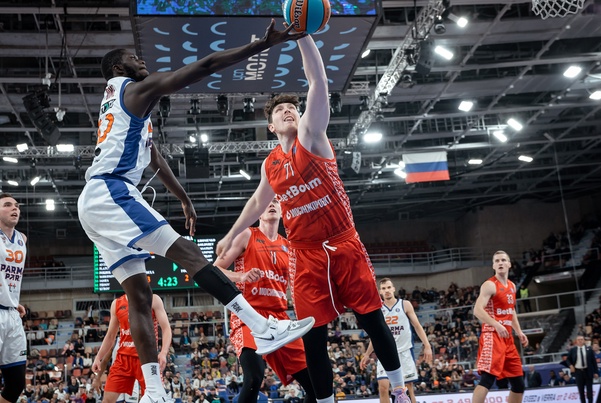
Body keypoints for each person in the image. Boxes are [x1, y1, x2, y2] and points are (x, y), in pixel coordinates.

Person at [77, 20, 313, 403]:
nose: (142, 61)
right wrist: (260, 45)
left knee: (139, 295)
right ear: (120, 68)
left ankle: (154, 391)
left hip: (95, 202)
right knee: (188, 252)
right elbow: (203, 67)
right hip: (111, 191)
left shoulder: (119, 103)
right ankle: (261, 326)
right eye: (134, 58)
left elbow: (154, 158)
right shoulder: (136, 90)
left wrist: (184, 198)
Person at [216, 34, 409, 403]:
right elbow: (257, 201)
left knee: (371, 319)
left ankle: (399, 390)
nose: (289, 111)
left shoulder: (312, 135)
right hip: (305, 254)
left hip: (343, 242)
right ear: (271, 126)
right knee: (313, 339)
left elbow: (317, 80)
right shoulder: (270, 164)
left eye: (293, 107)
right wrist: (231, 233)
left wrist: (302, 34)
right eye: (280, 111)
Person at [214, 198, 315, 403]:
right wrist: (240, 276)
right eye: (267, 201)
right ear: (258, 212)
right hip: (249, 315)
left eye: (276, 201)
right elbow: (215, 269)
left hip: (279, 317)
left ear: (282, 210)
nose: (271, 204)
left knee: (315, 385)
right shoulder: (247, 235)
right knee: (254, 377)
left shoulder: (288, 246)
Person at [360, 278, 433, 403]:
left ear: (393, 289)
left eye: (389, 287)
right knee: (383, 387)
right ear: (380, 292)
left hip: (404, 351)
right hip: (385, 352)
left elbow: (417, 326)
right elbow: (376, 335)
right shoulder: (378, 309)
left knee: (407, 389)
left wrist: (427, 345)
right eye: (384, 288)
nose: (387, 290)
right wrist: (367, 354)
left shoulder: (405, 304)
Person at [92, 294, 171, 403]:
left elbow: (166, 328)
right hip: (123, 359)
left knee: (155, 399)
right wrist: (98, 357)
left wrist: (163, 352)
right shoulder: (117, 303)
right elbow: (110, 335)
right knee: (107, 400)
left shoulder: (153, 299)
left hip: (146, 358)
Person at [472, 250, 528, 403]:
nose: (500, 263)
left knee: (518, 383)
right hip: (492, 335)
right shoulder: (490, 285)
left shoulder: (512, 286)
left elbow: (511, 310)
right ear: (493, 266)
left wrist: (519, 331)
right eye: (497, 261)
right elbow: (477, 310)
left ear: (509, 264)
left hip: (507, 337)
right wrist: (496, 324)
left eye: (503, 260)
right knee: (487, 379)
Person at [0, 193, 28, 403]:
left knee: (16, 383)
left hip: (11, 314)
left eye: (16, 205)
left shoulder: (22, 238)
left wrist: (12, 300)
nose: (14, 208)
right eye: (7, 205)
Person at [565, 335, 598, 403]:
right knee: (581, 390)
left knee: (589, 390)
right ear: (576, 341)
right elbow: (567, 359)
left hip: (588, 371)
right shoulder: (573, 350)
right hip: (578, 372)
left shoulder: (589, 349)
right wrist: (571, 366)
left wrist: (596, 372)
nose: (580, 341)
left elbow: (593, 361)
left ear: (584, 341)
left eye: (581, 339)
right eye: (578, 339)